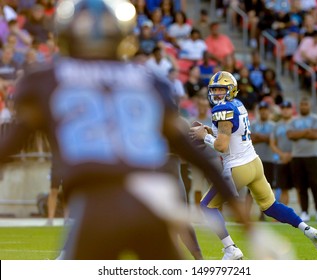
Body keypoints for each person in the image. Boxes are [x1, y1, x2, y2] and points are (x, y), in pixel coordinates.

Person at [0, 0, 249, 260]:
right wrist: (236, 206)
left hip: (97, 206)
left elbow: (11, 144)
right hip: (151, 204)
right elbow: (187, 149)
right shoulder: (149, 80)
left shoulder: (46, 79)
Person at [190, 71, 317, 260]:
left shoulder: (222, 111)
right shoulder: (238, 105)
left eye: (221, 89)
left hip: (237, 167)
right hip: (254, 163)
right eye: (214, 90)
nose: (217, 94)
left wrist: (203, 136)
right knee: (270, 206)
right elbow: (231, 133)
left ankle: (231, 250)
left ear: (231, 90)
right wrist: (208, 130)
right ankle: (307, 228)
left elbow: (222, 146)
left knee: (206, 206)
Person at [287, 97, 317, 223]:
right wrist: (307, 132)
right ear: (299, 106)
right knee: (301, 186)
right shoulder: (293, 121)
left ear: (310, 105)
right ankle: (304, 212)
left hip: (313, 156)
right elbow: (290, 135)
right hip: (297, 157)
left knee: (315, 185)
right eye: (302, 104)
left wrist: (299, 134)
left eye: (306, 104)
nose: (304, 107)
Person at [270, 100, 296, 205]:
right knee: (283, 187)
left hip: (296, 158)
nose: (285, 111)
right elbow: (272, 143)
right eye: (283, 109)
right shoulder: (277, 126)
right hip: (282, 159)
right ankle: (285, 215)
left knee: (300, 187)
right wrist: (282, 155)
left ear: (291, 110)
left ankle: (304, 213)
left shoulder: (296, 123)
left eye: (287, 109)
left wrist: (292, 154)